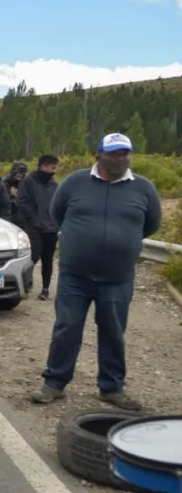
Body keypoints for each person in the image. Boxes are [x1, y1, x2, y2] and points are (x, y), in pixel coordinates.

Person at [30, 133, 160, 411]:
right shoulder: (75, 182)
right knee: (66, 329)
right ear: (98, 154)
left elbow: (150, 225)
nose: (121, 158)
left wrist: (122, 242)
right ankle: (55, 383)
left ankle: (111, 387)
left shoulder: (144, 188)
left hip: (118, 278)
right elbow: (57, 214)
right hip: (74, 276)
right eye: (114, 153)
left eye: (125, 152)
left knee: (114, 332)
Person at [16, 155, 60, 301]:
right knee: (33, 257)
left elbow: (59, 206)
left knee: (48, 260)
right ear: (41, 166)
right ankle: (24, 285)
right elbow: (22, 203)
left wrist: (57, 223)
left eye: (54, 167)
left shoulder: (55, 186)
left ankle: (45, 289)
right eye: (49, 167)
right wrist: (34, 220)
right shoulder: (28, 182)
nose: (52, 170)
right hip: (34, 227)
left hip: (51, 228)